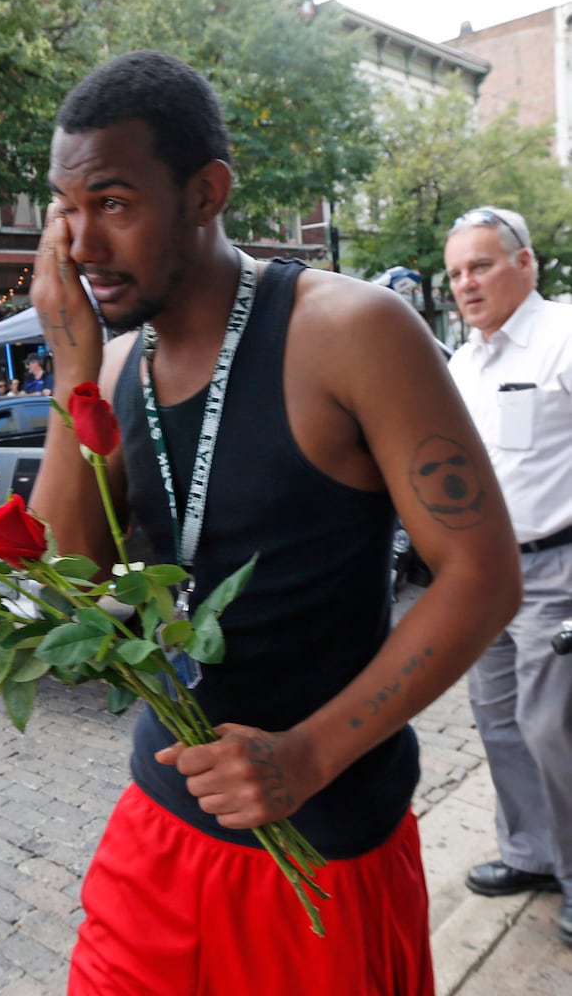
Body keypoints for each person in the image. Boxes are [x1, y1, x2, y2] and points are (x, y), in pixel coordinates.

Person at [27, 51, 522, 995]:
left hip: (321, 843)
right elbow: (72, 596)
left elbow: (481, 575)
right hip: (159, 823)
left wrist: (308, 755)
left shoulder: (350, 331)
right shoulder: (114, 366)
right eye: (65, 208)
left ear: (206, 192)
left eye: (115, 203)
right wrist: (72, 379)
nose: (82, 243)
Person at [444, 206, 572, 949]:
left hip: (557, 569)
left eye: (480, 265)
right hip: (482, 576)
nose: (465, 282)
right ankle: (530, 854)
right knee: (495, 721)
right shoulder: (465, 362)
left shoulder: (561, 335)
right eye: (456, 270)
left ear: (525, 264)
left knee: (554, 730)